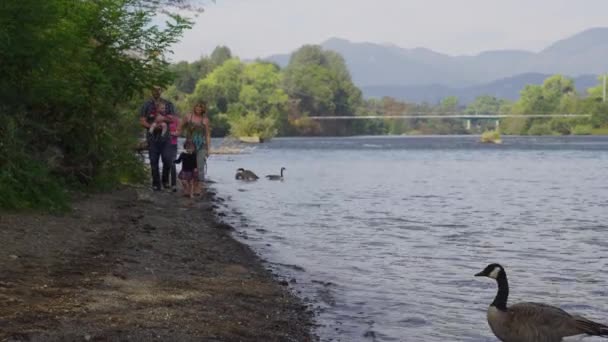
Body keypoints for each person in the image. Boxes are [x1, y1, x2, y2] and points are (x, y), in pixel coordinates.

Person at [139, 86, 175, 191]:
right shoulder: (146, 105)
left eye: (158, 89)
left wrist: (163, 119)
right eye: (154, 89)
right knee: (153, 161)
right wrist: (151, 127)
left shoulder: (168, 104)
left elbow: (172, 119)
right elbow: (142, 120)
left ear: (161, 91)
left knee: (167, 160)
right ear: (151, 91)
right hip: (152, 137)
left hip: (166, 137)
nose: (156, 91)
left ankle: (165, 180)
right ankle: (156, 184)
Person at [182, 101, 211, 194]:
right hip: (190, 144)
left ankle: (198, 187)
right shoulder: (188, 117)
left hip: (201, 144)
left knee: (200, 166)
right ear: (194, 107)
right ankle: (189, 187)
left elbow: (207, 135)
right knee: (190, 166)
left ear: (203, 109)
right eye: (197, 107)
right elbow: (181, 127)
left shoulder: (205, 120)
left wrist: (208, 148)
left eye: (200, 107)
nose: (198, 108)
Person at [167, 113, 180, 192]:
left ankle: (174, 185)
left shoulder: (176, 120)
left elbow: (178, 133)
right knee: (166, 163)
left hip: (173, 145)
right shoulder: (162, 118)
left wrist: (169, 133)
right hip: (163, 145)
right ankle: (165, 183)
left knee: (172, 163)